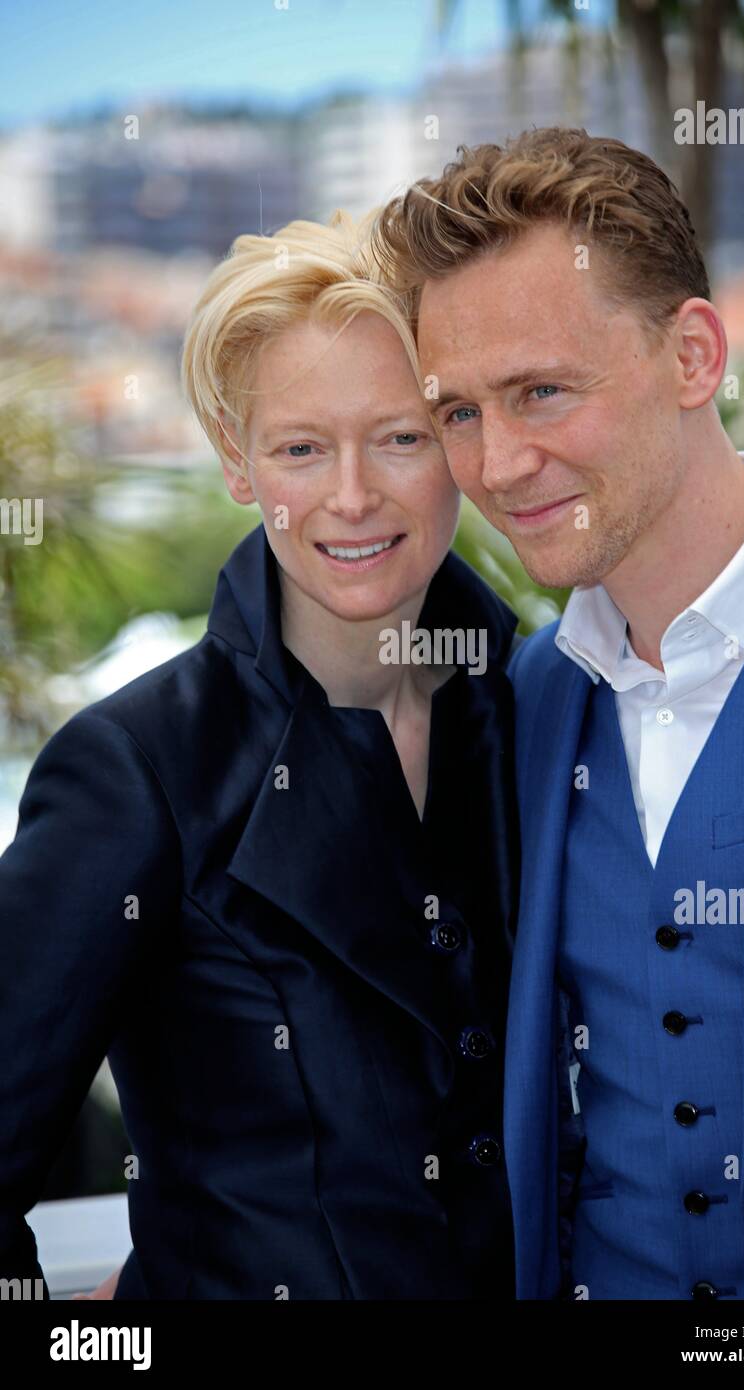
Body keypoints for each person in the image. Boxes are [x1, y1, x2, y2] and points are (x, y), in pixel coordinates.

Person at [373, 126, 744, 1301]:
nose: (497, 463)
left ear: (692, 355)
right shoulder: (521, 705)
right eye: (457, 412)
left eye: (542, 390)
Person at [0, 212, 520, 1300]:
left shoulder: (539, 713)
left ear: (458, 442)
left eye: (401, 435)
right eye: (298, 447)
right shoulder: (135, 769)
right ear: (237, 462)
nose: (350, 495)